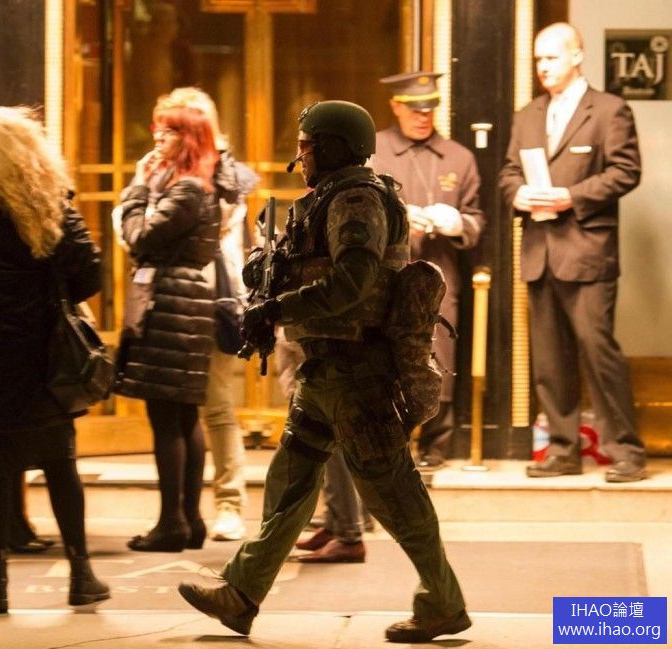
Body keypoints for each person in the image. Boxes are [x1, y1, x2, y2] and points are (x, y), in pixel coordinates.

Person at [178, 100, 470, 643]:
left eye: (308, 146)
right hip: (325, 372)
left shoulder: (356, 201)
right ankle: (241, 594)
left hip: (358, 372)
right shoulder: (331, 199)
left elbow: (352, 282)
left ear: (335, 148)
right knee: (290, 482)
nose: (301, 156)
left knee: (393, 493)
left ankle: (443, 602)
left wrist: (277, 308)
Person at [0, 106, 110, 613]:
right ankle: (81, 574)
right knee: (59, 464)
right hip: (44, 360)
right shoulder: (51, 209)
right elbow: (90, 277)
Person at [498, 22, 646, 482]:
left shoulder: (610, 110)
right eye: (538, 59)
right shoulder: (527, 115)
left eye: (551, 58)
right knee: (549, 359)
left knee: (598, 353)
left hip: (587, 253)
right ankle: (563, 450)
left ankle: (626, 452)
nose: (542, 67)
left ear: (577, 56)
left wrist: (571, 196)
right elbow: (508, 173)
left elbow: (626, 171)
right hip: (539, 251)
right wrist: (518, 195)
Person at [115, 90, 233, 551]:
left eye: (167, 130)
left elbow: (140, 235)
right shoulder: (198, 184)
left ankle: (172, 523)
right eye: (157, 128)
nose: (157, 137)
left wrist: (137, 189)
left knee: (168, 417)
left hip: (170, 302)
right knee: (183, 415)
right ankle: (189, 520)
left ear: (187, 138)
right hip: (183, 300)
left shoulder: (186, 189)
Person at [154, 87, 256, 542]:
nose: (165, 134)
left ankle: (229, 504)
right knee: (175, 412)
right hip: (169, 300)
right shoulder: (160, 168)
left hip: (215, 298)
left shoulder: (224, 174)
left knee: (216, 406)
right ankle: (182, 512)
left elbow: (218, 231)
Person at [371, 71, 485, 469]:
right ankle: (389, 439)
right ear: (396, 106)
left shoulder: (458, 157)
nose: (423, 116)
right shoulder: (376, 152)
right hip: (387, 276)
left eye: (430, 109)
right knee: (384, 357)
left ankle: (436, 442)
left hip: (439, 274)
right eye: (415, 109)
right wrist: (396, 218)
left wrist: (457, 223)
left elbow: (476, 221)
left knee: (439, 355)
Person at [275, 329, 368, 563]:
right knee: (327, 452)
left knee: (333, 451)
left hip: (322, 356)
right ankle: (336, 526)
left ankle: (349, 535)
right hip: (314, 357)